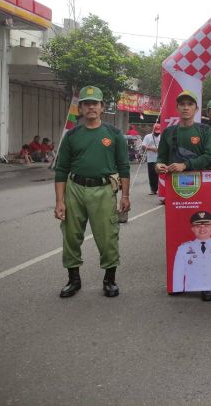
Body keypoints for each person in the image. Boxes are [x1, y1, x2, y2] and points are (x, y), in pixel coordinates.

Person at [54, 85, 131, 298]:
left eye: (94, 103)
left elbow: (123, 166)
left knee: (108, 236)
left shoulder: (114, 134)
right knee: (70, 235)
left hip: (104, 190)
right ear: (80, 108)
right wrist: (59, 201)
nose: (90, 107)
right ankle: (73, 279)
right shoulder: (72, 136)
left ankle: (109, 279)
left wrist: (125, 195)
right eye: (86, 104)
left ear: (102, 107)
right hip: (75, 189)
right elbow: (61, 170)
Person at [172, 211, 211, 300]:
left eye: (206, 226)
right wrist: (177, 288)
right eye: (198, 226)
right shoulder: (183, 248)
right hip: (192, 288)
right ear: (193, 229)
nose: (202, 230)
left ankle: (210, 289)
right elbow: (178, 272)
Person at [156, 90, 211, 174]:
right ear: (177, 108)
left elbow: (210, 155)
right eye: (182, 104)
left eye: (190, 104)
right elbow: (161, 157)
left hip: (199, 180)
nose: (186, 107)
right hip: (173, 181)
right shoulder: (168, 131)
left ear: (196, 109)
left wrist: (185, 165)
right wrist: (158, 165)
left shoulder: (205, 130)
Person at [141, 123, 161, 194]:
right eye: (156, 132)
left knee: (161, 174)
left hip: (160, 159)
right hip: (151, 159)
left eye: (158, 132)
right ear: (153, 130)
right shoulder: (148, 137)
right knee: (152, 175)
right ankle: (153, 190)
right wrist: (152, 149)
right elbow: (143, 146)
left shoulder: (161, 136)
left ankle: (161, 189)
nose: (157, 134)